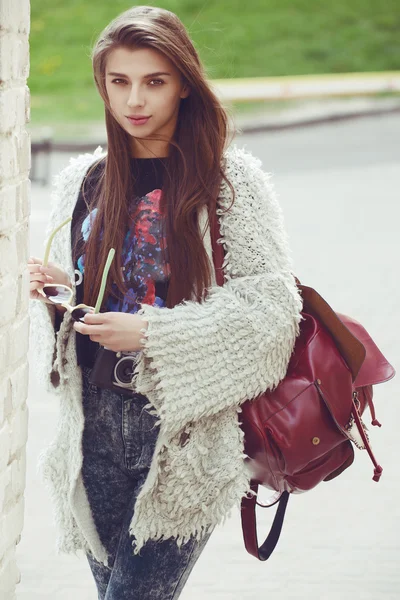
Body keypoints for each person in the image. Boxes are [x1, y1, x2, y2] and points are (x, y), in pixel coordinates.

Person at [28, 5, 303, 599]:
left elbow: (274, 307)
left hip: (179, 433)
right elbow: (97, 297)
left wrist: (152, 335)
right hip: (91, 429)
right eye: (119, 81)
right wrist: (62, 293)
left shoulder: (228, 180)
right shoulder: (84, 179)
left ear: (183, 83)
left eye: (154, 81)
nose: (134, 100)